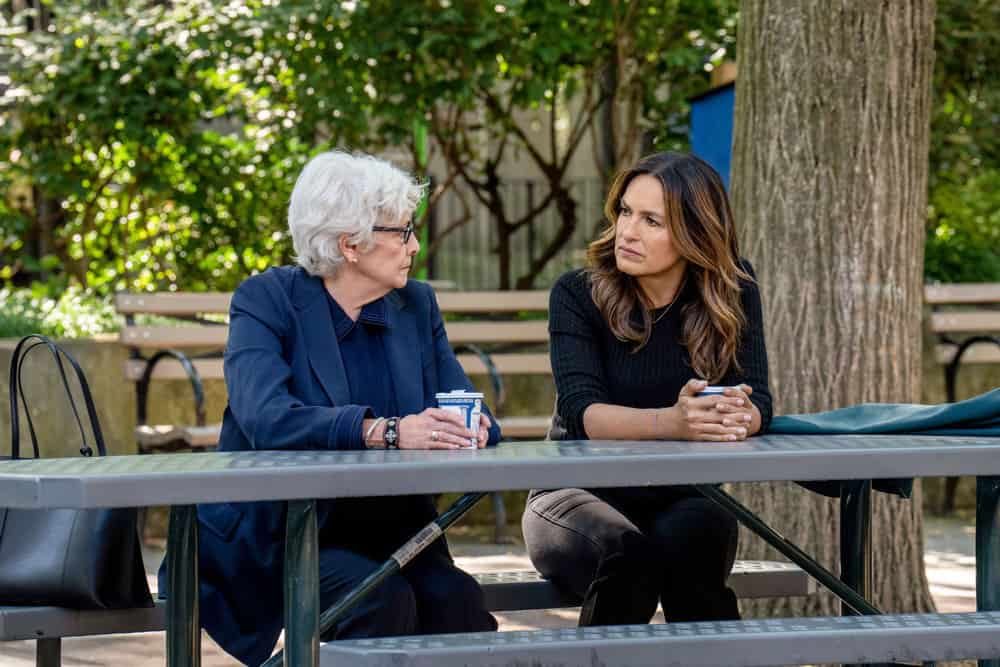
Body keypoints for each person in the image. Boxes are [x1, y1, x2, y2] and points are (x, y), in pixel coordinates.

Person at [160, 151, 500, 666]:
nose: (414, 245)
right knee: (380, 602)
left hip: (396, 526)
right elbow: (266, 417)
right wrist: (384, 431)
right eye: (402, 232)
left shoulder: (416, 304)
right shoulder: (266, 300)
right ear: (351, 244)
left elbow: (465, 405)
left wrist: (471, 430)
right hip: (289, 532)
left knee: (461, 606)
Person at [522, 151, 772, 627]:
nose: (628, 231)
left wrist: (736, 413)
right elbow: (582, 414)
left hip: (681, 491)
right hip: (575, 494)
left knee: (702, 532)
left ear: (694, 234)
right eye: (625, 212)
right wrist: (673, 423)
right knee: (628, 553)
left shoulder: (734, 289)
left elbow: (759, 401)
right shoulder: (577, 293)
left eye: (651, 221)